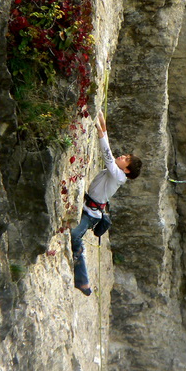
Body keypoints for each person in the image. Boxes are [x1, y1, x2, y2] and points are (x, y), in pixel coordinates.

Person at [71, 110, 142, 296]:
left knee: (75, 236)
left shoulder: (118, 175)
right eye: (125, 155)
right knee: (74, 235)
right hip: (89, 207)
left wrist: (99, 129)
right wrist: (101, 120)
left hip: (91, 213)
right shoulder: (118, 172)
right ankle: (82, 279)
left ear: (126, 170)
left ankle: (83, 281)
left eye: (125, 159)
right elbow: (109, 149)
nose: (122, 157)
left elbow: (108, 155)